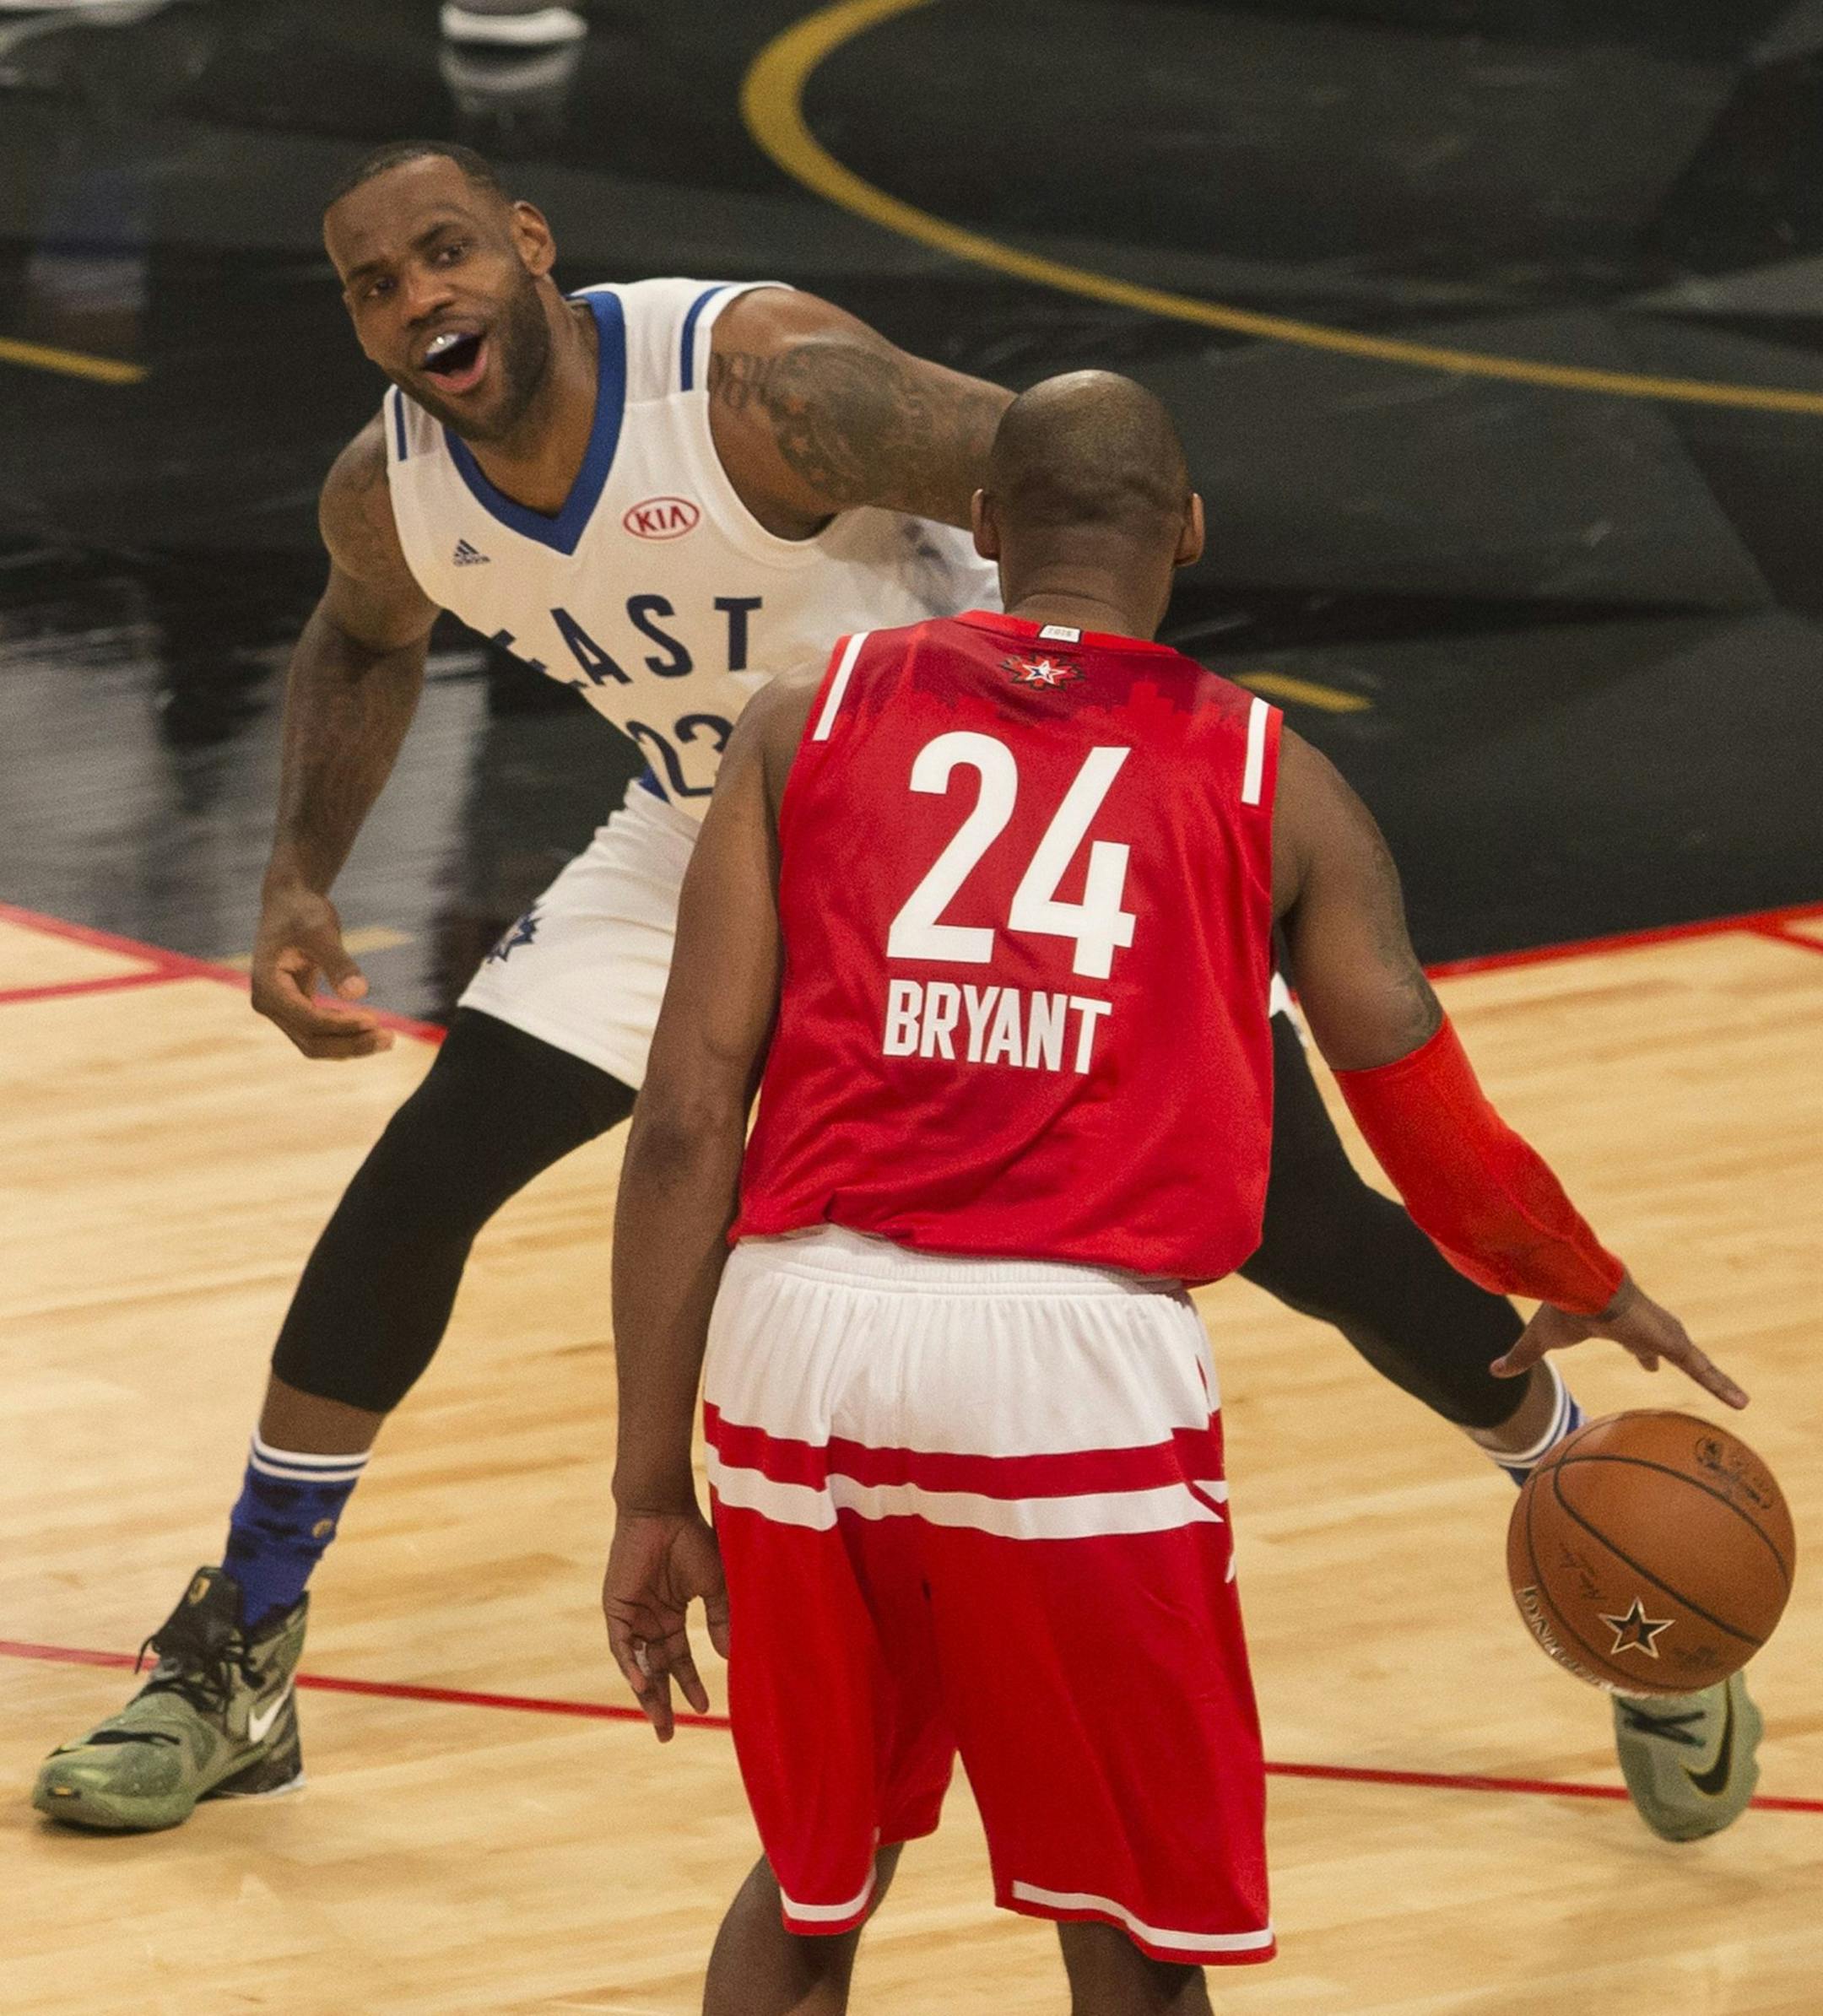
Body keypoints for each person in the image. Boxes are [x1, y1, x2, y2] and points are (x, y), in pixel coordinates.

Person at [32, 143, 1747, 1840]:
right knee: (419, 1184)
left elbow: (1080, 481)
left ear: (530, 243)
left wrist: (1130, 782)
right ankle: (241, 1649)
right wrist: (297, 880)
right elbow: (357, 637)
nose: (421, 299)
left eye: (445, 252)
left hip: (968, 806)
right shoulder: (392, 489)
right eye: (376, 284)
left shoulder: (768, 395)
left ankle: (1604, 1513)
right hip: (713, 824)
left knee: (1297, 1218)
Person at [601, 371, 1750, 2014]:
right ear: (1191, 532)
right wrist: (1582, 1269)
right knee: (1133, 1932)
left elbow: (684, 1117)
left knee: (809, 1891)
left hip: (801, 1345)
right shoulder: (1275, 776)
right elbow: (1410, 1086)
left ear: (984, 526)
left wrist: (652, 1483)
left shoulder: (809, 716)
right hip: (1070, 1372)